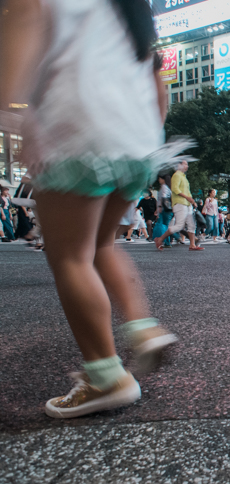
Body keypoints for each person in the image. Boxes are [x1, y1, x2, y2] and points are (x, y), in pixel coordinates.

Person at [1, 0, 183, 417]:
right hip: (136, 140)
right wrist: (147, 143)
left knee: (70, 256)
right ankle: (143, 327)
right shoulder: (130, 8)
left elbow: (24, 24)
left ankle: (105, 376)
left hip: (76, 127)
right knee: (102, 244)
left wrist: (16, 114)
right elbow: (158, 84)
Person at [155, 160, 203, 251]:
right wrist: (187, 198)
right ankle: (160, 239)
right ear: (179, 165)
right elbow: (175, 189)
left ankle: (192, 245)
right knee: (179, 226)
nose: (187, 166)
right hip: (179, 203)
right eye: (185, 164)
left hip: (187, 204)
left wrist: (192, 201)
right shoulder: (176, 175)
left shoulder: (184, 177)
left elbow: (188, 191)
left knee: (192, 225)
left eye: (187, 164)